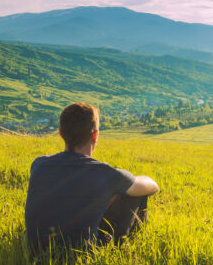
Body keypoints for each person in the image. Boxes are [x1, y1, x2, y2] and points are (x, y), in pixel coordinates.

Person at [25, 102, 160, 250]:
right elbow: (153, 187)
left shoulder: (38, 164)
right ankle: (126, 245)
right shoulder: (104, 173)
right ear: (94, 135)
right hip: (81, 255)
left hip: (36, 250)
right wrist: (122, 181)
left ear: (61, 133)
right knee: (136, 193)